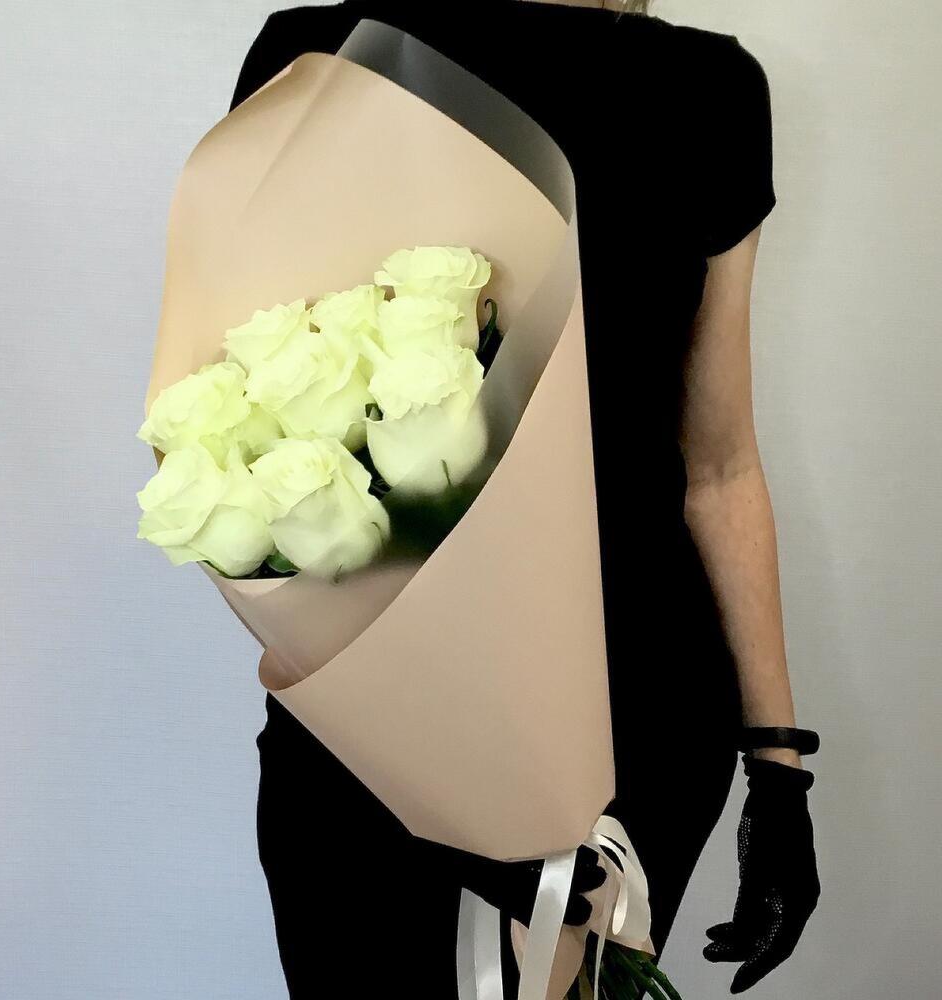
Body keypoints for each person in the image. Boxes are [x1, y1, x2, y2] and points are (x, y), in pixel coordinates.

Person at [229, 1, 821, 996]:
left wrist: (777, 769)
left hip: (626, 716)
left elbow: (717, 466)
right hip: (370, 721)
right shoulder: (315, 55)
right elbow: (247, 426)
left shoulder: (704, 90)